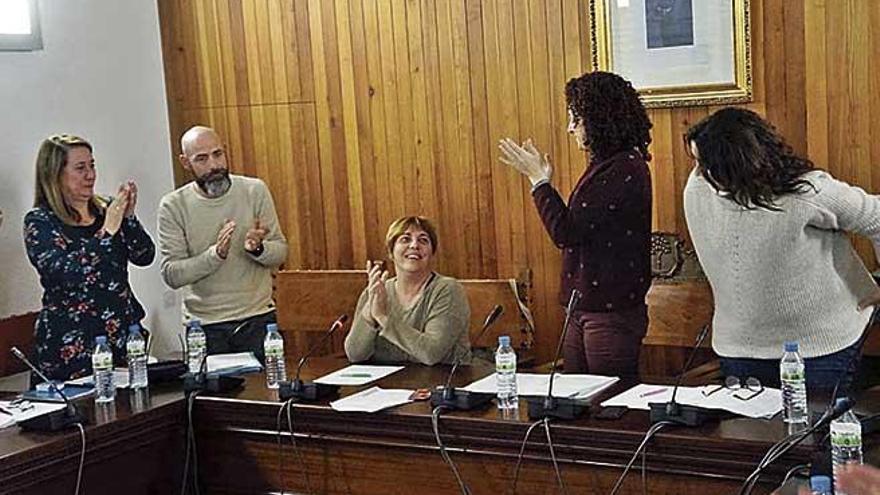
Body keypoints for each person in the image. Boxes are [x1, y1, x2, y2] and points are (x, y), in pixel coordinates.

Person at [684, 107, 880, 392]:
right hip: (738, 349)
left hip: (818, 351)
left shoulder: (807, 192)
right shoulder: (698, 187)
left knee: (815, 434)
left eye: (712, 165)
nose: (703, 173)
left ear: (744, 162)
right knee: (752, 437)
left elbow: (876, 216)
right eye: (700, 163)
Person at [498, 71, 653, 377]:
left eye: (576, 119)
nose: (570, 129)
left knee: (606, 407)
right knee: (577, 403)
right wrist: (540, 180)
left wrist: (538, 181)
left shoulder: (623, 168)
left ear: (599, 118)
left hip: (608, 313)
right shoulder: (607, 164)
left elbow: (566, 231)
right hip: (584, 307)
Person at [23, 134, 154, 381]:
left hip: (122, 337)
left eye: (92, 165)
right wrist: (108, 231)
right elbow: (66, 273)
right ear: (55, 174)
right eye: (80, 168)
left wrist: (128, 218)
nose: (91, 175)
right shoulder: (40, 222)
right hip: (71, 346)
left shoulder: (105, 209)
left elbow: (145, 255)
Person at [157, 126, 288, 362]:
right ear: (185, 162)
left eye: (218, 154)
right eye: (202, 159)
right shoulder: (173, 206)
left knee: (267, 394)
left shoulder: (253, 190)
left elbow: (280, 252)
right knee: (211, 398)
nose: (214, 166)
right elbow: (172, 274)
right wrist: (214, 255)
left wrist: (257, 249)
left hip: (257, 320)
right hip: (205, 327)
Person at [344, 216, 471, 366]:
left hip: (442, 382)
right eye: (405, 239)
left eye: (423, 240)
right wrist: (369, 315)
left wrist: (383, 317)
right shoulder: (376, 290)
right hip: (387, 385)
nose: (414, 245)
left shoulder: (447, 290)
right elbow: (355, 355)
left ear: (431, 253)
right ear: (391, 252)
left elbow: (431, 353)